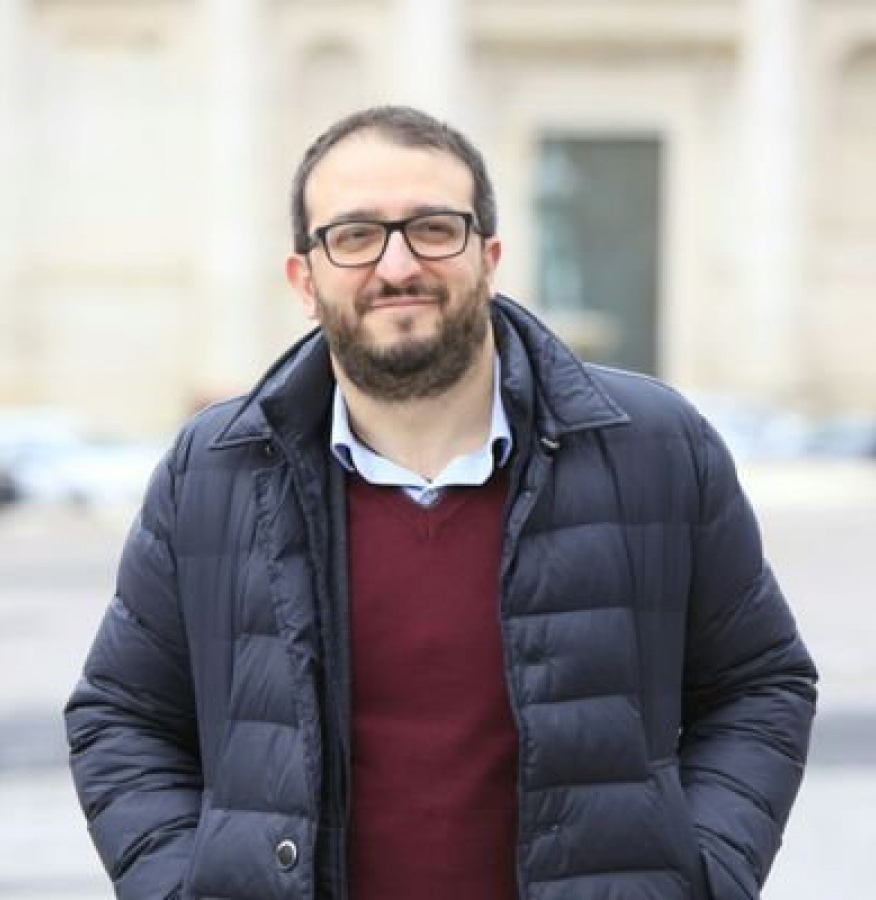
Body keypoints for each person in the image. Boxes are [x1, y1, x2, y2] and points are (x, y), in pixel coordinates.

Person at [65, 105, 817, 900]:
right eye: (354, 235)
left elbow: (759, 683)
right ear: (305, 280)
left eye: (433, 228)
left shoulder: (655, 448)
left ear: (488, 257)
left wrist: (703, 878)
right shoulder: (214, 470)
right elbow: (121, 716)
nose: (397, 266)